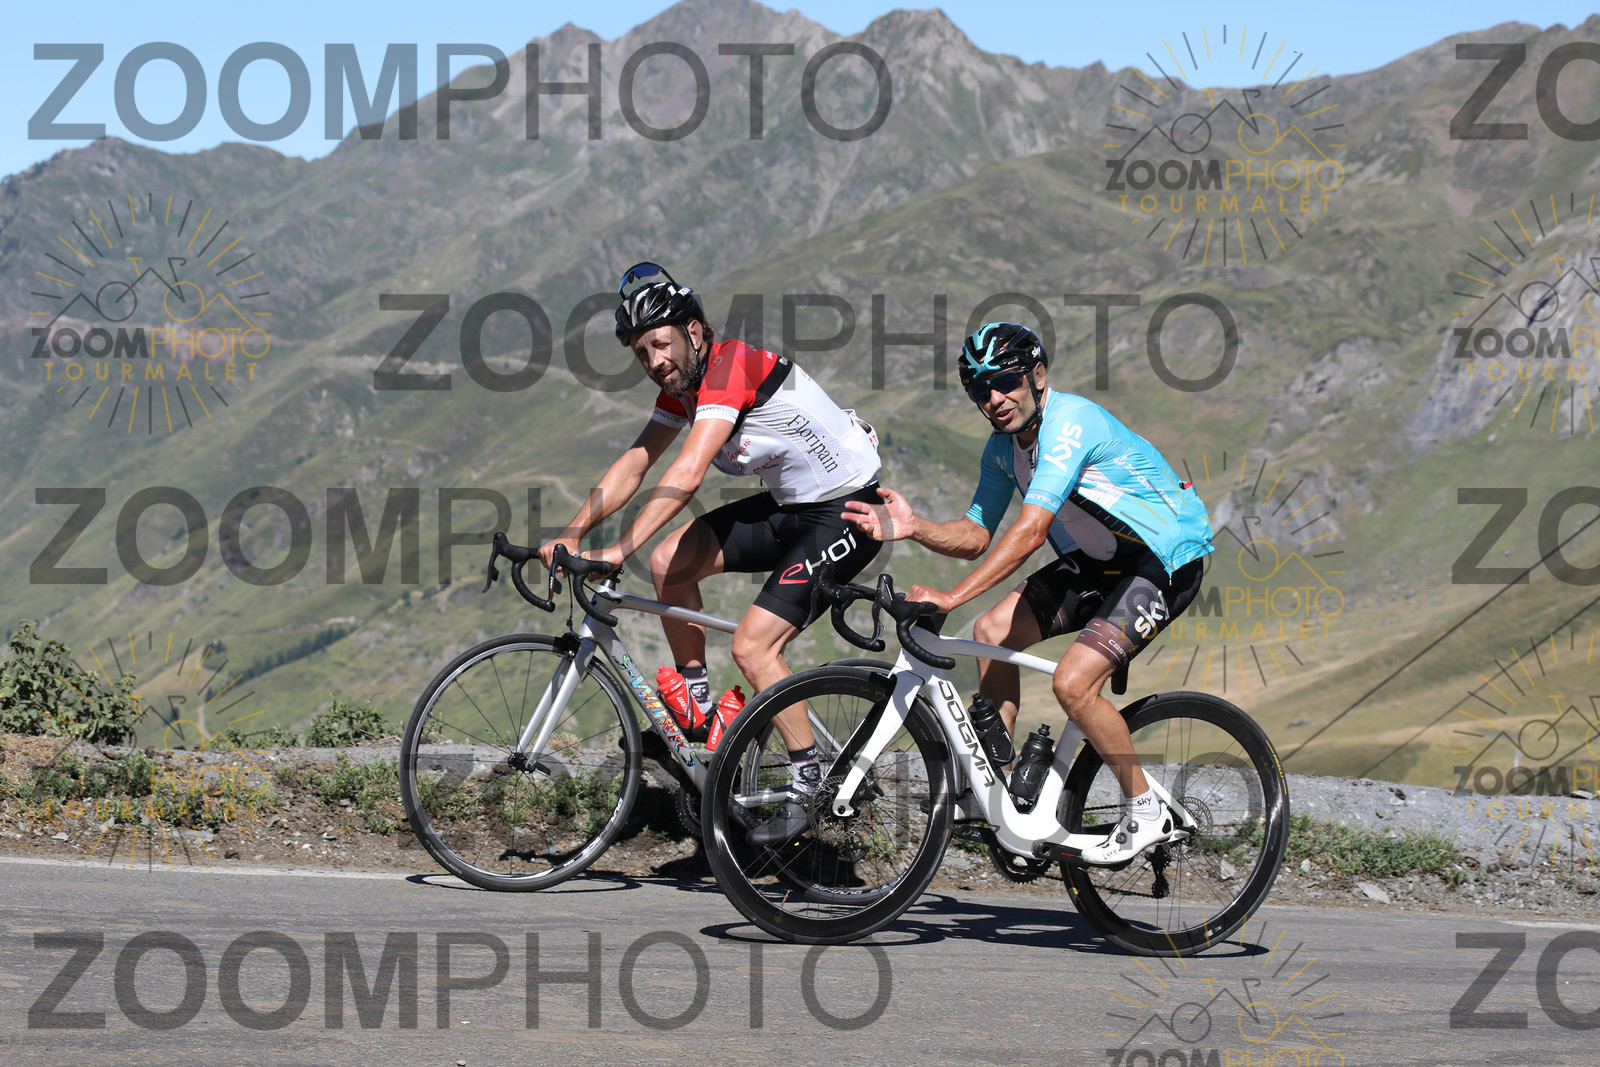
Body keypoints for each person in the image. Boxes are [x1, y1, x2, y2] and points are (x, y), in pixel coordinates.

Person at [840, 322, 1214, 864]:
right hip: (1099, 563)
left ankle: (1146, 809)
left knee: (1073, 684)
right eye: (979, 389)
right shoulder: (1002, 450)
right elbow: (976, 534)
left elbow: (1032, 531)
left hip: (1162, 562)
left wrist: (951, 597)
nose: (994, 398)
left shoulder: (1071, 424)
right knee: (991, 631)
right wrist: (915, 527)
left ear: (1037, 375)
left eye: (1005, 381)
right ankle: (1003, 789)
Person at [538, 263, 883, 845]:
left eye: (660, 344)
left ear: (694, 332)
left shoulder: (730, 368)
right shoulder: (684, 387)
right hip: (792, 507)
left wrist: (619, 548)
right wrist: (572, 532)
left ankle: (811, 784)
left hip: (848, 512)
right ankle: (696, 714)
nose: (654, 361)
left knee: (753, 646)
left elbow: (688, 471)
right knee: (670, 562)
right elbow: (637, 461)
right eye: (641, 353)